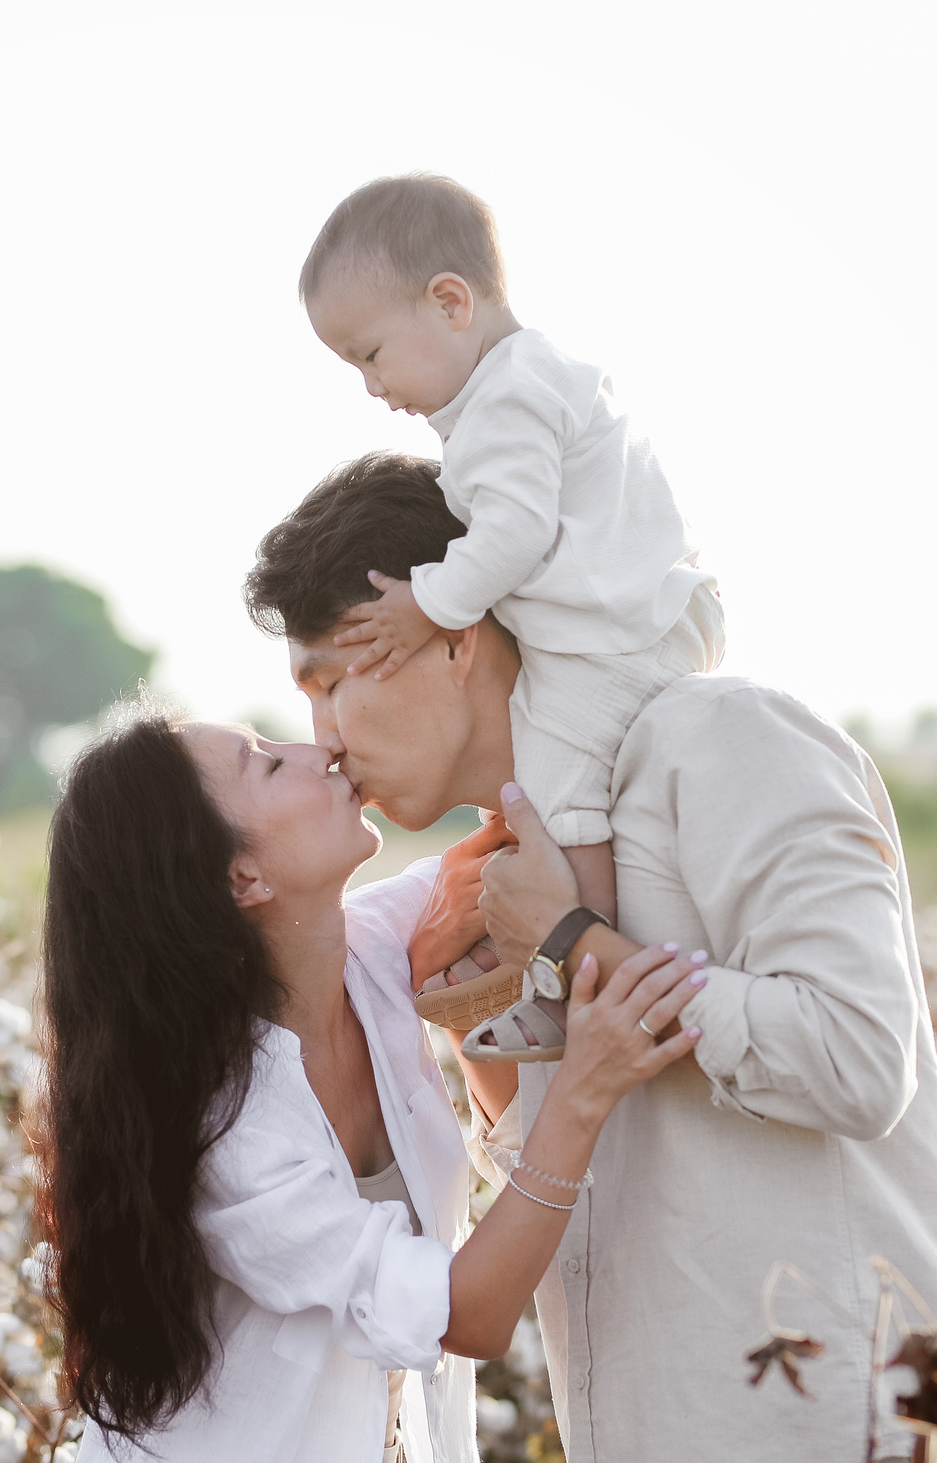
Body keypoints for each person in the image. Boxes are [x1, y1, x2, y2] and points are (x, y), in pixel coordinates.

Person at [245, 454, 937, 1463]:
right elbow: (611, 1176)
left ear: (456, 629)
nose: (322, 735)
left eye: (336, 673)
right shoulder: (518, 855)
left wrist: (573, 949)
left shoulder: (725, 739)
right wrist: (475, 1029)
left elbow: (861, 1057)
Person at [26, 709, 702, 1463]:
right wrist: (583, 1092)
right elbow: (466, 1314)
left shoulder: (376, 950)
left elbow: (523, 830)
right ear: (239, 879)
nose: (315, 747)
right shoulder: (230, 1130)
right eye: (265, 763)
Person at [299, 173, 722, 1060]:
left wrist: (428, 600)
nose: (372, 388)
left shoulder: (504, 400)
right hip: (637, 613)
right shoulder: (529, 384)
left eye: (371, 355)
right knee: (549, 777)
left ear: (450, 301)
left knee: (562, 792)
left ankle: (568, 968)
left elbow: (517, 531)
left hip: (617, 634)